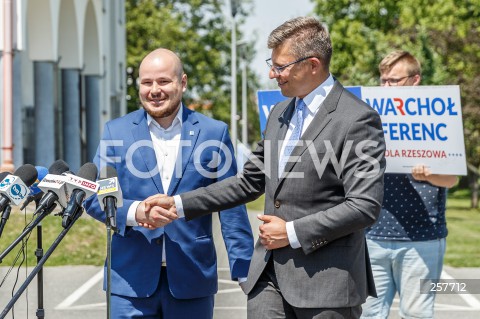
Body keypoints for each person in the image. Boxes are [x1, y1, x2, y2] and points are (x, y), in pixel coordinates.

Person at [142, 17, 386, 319]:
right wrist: (177, 204)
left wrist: (293, 232)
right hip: (268, 277)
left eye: (280, 66)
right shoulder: (280, 113)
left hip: (327, 284)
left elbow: (364, 206)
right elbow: (248, 183)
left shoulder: (358, 119)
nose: (272, 74)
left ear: (312, 64)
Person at [84, 48, 254, 319]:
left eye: (163, 81)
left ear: (182, 83)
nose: (154, 90)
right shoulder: (115, 132)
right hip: (129, 283)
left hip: (192, 278)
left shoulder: (213, 132)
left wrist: (244, 268)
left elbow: (231, 202)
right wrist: (136, 212)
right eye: (146, 82)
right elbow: (95, 197)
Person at [361, 50, 458, 319]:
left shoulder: (439, 118)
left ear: (415, 80)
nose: (386, 86)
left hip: (423, 239)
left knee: (417, 315)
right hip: (373, 236)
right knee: (368, 315)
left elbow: (451, 178)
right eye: (382, 80)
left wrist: (428, 175)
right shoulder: (369, 119)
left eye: (393, 80)